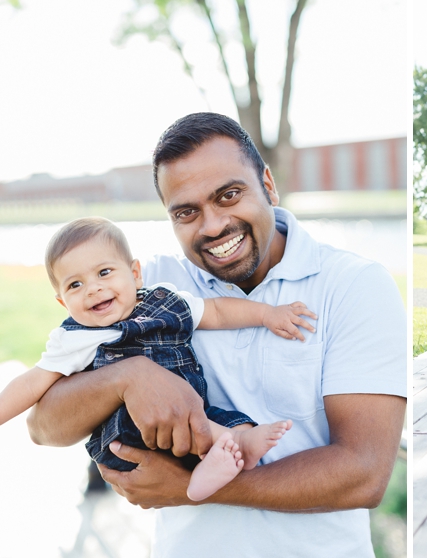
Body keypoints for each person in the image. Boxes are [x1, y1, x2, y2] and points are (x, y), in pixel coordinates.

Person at [27, 113, 407, 557]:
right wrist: (126, 378)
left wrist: (191, 488)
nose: (211, 226)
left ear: (267, 183)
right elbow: (44, 427)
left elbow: (364, 472)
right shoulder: (150, 289)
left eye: (228, 195)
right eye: (186, 212)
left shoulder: (354, 285)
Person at [0, 217, 318, 501]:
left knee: (227, 417)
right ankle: (233, 444)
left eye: (104, 272)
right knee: (204, 424)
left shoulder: (165, 301)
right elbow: (32, 383)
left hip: (191, 413)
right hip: (128, 435)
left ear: (135, 274)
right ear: (62, 302)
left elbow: (218, 312)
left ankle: (216, 461)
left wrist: (268, 315)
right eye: (75, 285)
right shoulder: (76, 336)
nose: (93, 289)